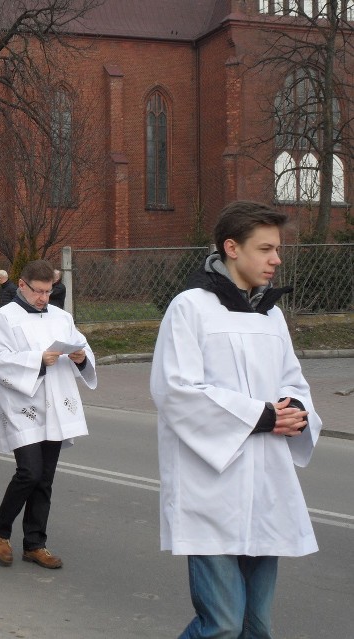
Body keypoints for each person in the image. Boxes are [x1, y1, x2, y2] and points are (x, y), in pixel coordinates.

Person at [150, 201, 322, 639]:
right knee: (223, 626)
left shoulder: (272, 314)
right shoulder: (190, 308)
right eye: (265, 249)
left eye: (277, 249)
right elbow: (176, 390)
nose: (276, 259)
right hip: (212, 488)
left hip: (266, 486)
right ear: (231, 247)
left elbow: (293, 382)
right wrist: (262, 416)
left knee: (257, 627)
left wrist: (295, 412)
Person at [0, 259, 97, 570]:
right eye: (39, 291)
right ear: (22, 285)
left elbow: (85, 352)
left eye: (49, 291)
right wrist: (38, 359)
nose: (44, 298)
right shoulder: (4, 318)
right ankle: (0, 529)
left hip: (56, 405)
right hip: (22, 404)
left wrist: (79, 356)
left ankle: (35, 543)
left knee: (44, 479)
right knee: (29, 472)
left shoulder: (62, 317)